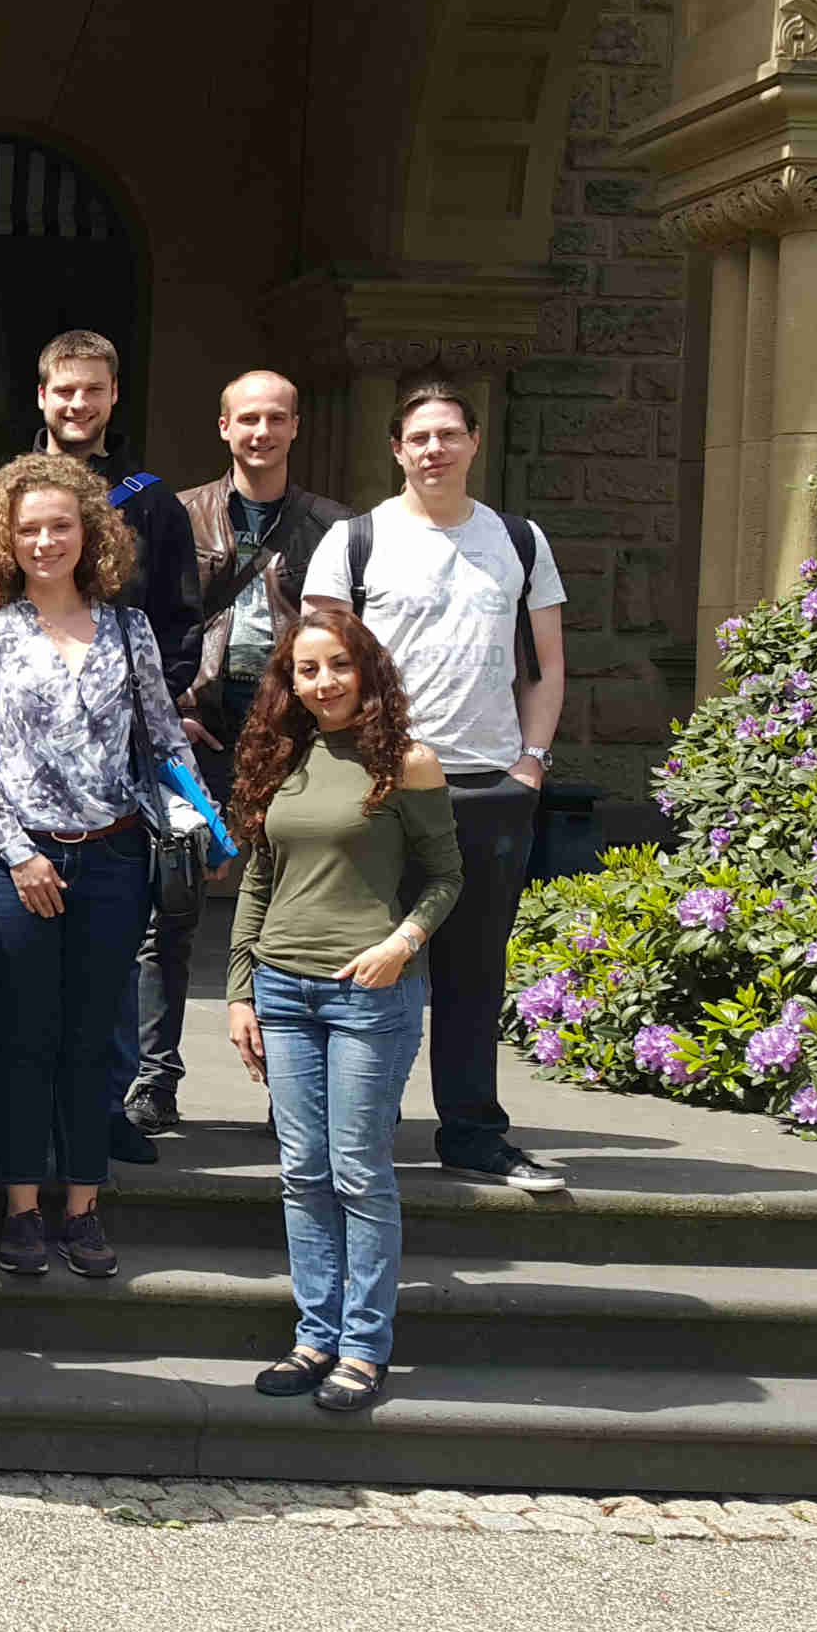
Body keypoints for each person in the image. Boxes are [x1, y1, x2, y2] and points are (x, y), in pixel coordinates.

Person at [301, 381, 568, 1194]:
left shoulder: (518, 541)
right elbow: (313, 666)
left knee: (472, 972)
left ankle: (473, 1133)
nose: (434, 450)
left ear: (474, 441)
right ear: (397, 449)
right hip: (378, 785)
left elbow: (548, 666)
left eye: (449, 434)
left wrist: (530, 763)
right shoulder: (355, 541)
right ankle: (356, 1134)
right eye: (419, 437)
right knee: (356, 965)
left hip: (489, 784)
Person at [0, 454, 195, 1280]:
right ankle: (21, 1209)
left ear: (89, 533)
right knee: (20, 1041)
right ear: (5, 541)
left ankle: (83, 1208)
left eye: (61, 525)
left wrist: (196, 817)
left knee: (94, 1042)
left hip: (114, 858)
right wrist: (17, 853)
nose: (46, 541)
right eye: (29, 530)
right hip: (20, 865)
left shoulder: (131, 629)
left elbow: (162, 741)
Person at [225, 607, 460, 1415]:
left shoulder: (409, 763)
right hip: (283, 989)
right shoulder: (280, 761)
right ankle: (314, 1336)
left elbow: (445, 877)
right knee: (302, 1172)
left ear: (367, 669)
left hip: (370, 991)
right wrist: (238, 990)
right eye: (306, 670)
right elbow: (258, 883)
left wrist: (404, 942)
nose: (323, 683)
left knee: (359, 1172)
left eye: (337, 666)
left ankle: (364, 1349)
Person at [131, 369, 350, 1134]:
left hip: (292, 738)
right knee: (171, 908)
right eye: (247, 419)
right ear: (223, 427)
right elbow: (149, 620)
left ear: (295, 428)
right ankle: (154, 1080)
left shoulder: (334, 525)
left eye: (276, 419)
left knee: (293, 909)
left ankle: (294, 1084)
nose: (261, 432)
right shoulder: (177, 512)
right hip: (196, 732)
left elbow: (350, 636)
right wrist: (169, 712)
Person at [22, 331, 199, 696]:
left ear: (114, 393)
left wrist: (144, 704)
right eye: (65, 391)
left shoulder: (155, 503)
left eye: (94, 390)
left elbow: (180, 623)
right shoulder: (1, 496)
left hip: (123, 720)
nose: (79, 403)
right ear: (42, 396)